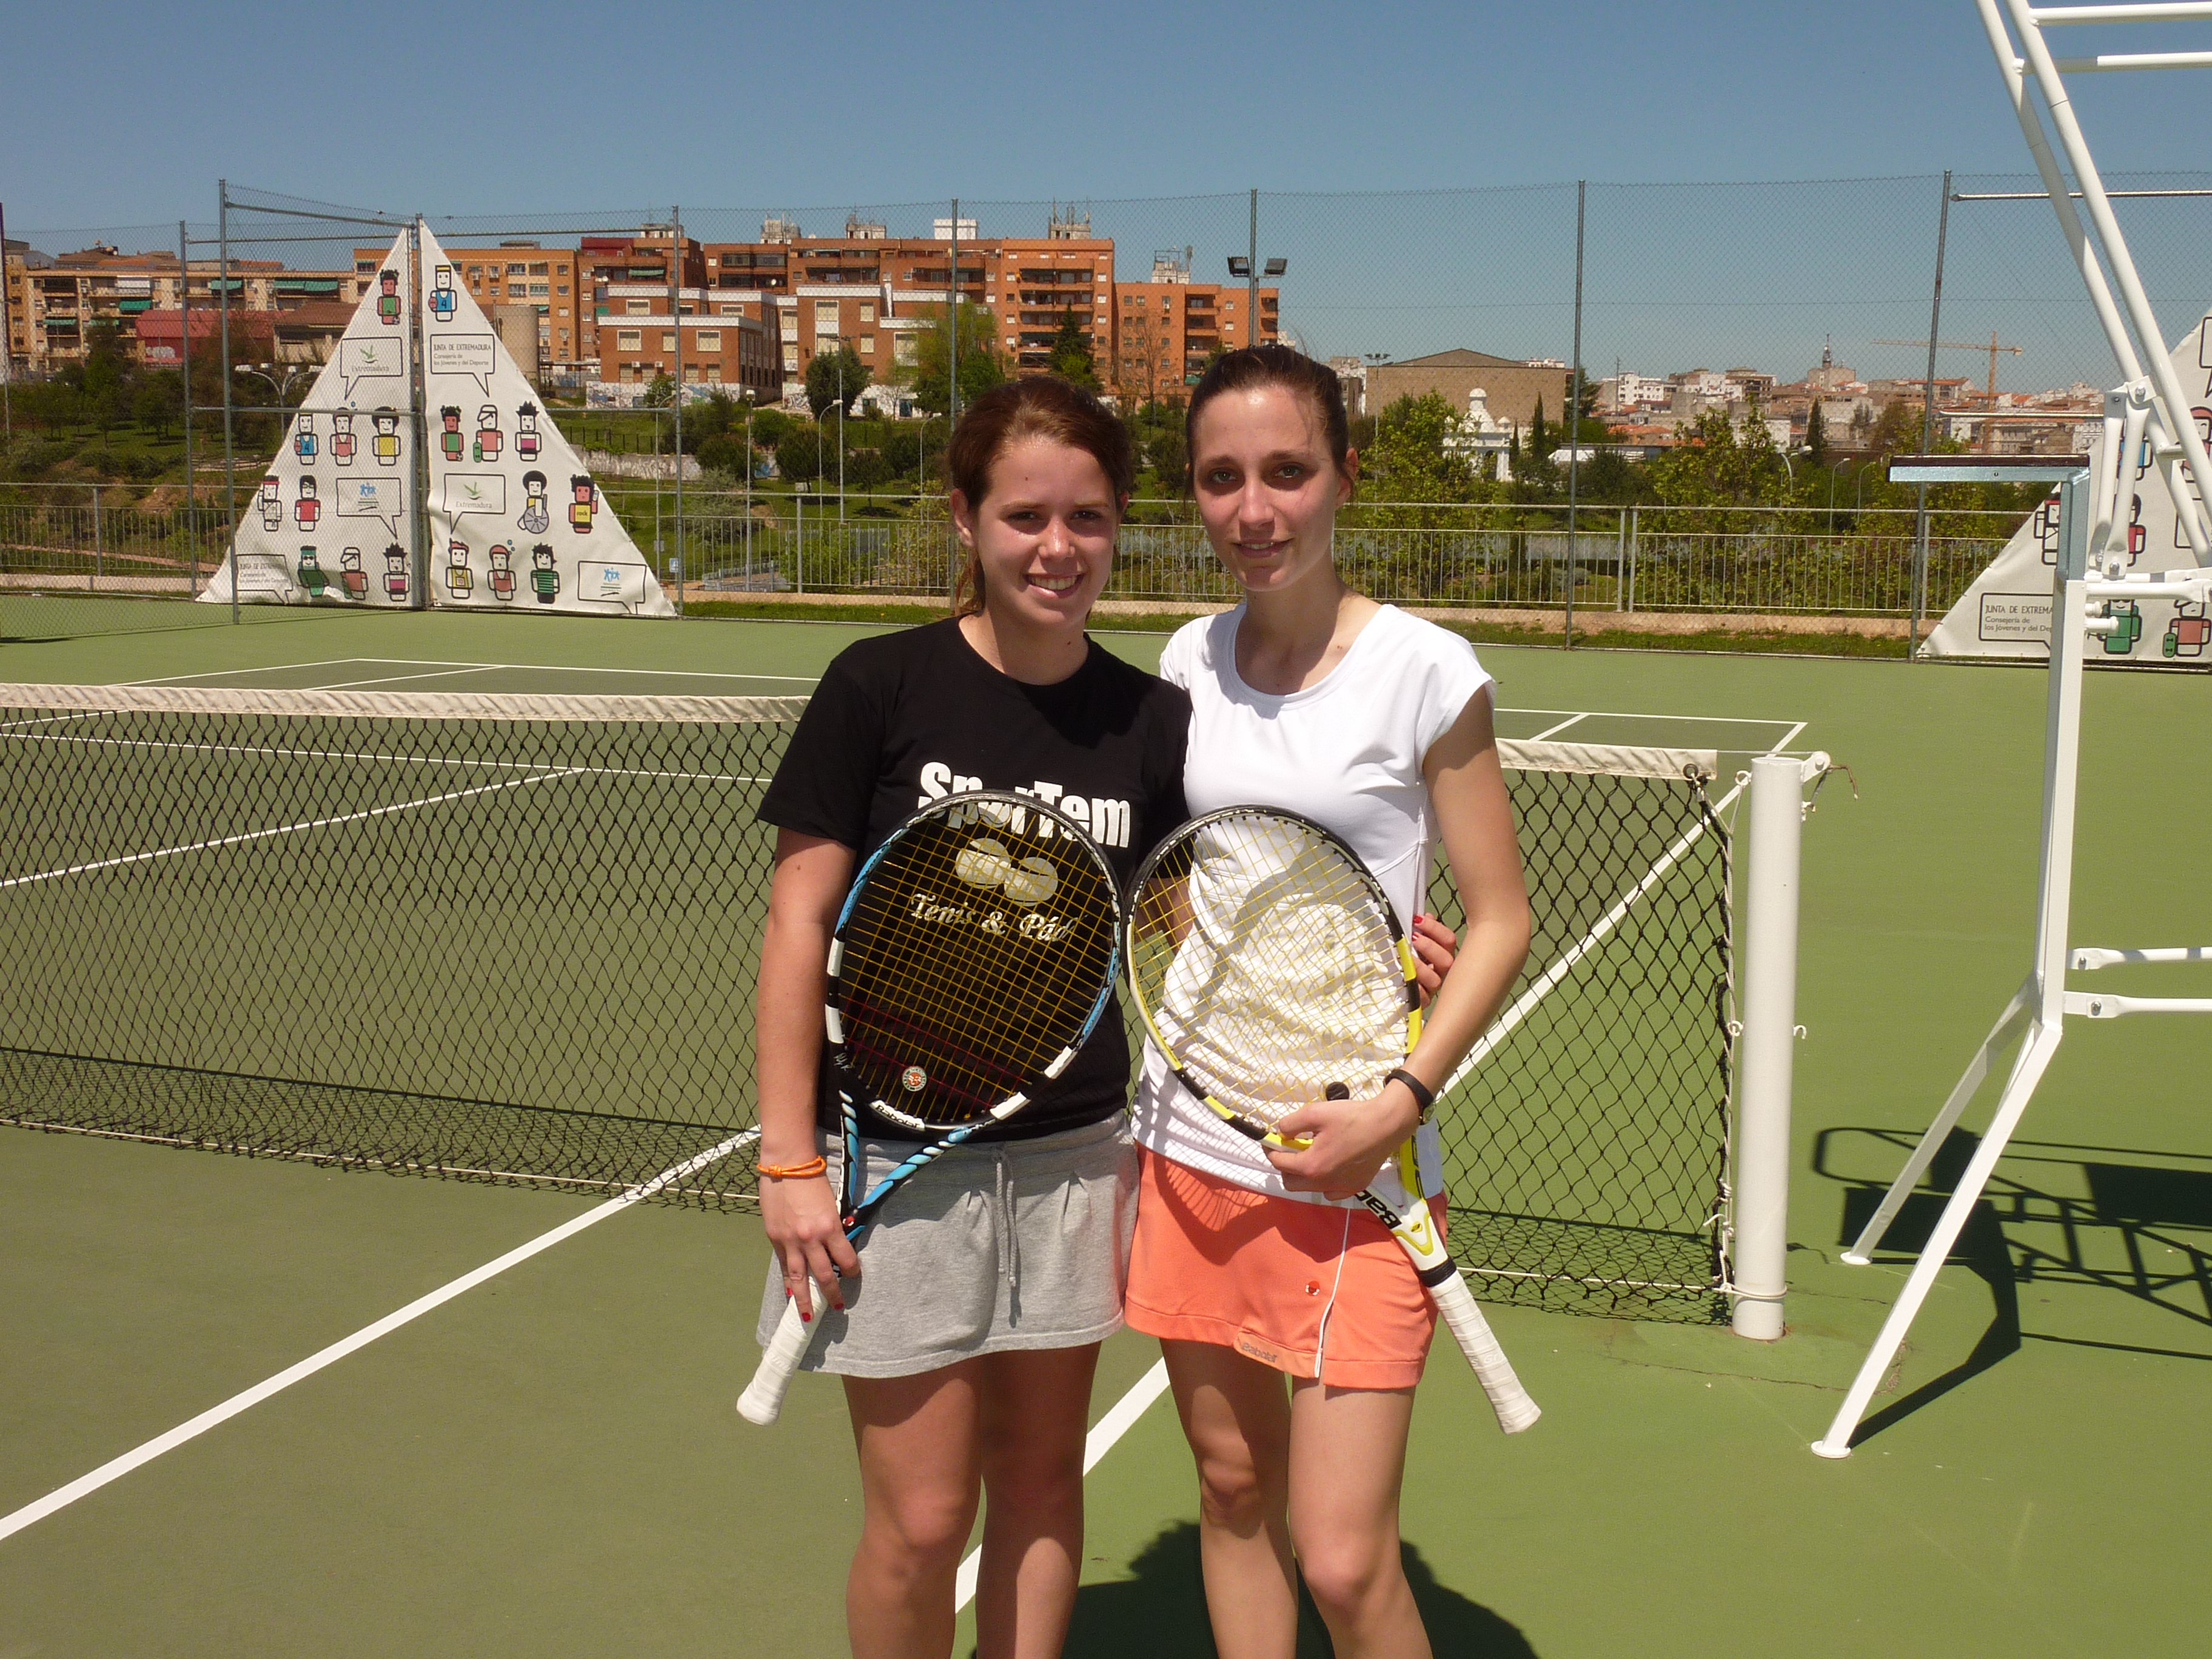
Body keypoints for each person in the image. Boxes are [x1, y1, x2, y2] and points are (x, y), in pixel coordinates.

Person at [751, 375, 1191, 1659]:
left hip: (1074, 1163)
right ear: (965, 518)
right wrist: (789, 1158)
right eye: (1025, 516)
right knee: (924, 1519)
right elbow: (797, 923)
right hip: (892, 1161)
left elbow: (1179, 927)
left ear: (1119, 524)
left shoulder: (1153, 720)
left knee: (1044, 1486)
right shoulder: (880, 685)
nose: (1058, 548)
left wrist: (1377, 958)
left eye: (1088, 518)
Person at [1124, 346, 1533, 1659]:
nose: (1255, 510)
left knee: (1348, 1562)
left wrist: (1400, 1100)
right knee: (1233, 1492)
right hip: (1194, 1139)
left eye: (1288, 472)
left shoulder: (1425, 670)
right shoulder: (1186, 659)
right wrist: (1246, 946)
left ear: (1344, 478)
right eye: (1222, 479)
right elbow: (1184, 873)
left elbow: (1503, 919)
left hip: (1363, 1154)